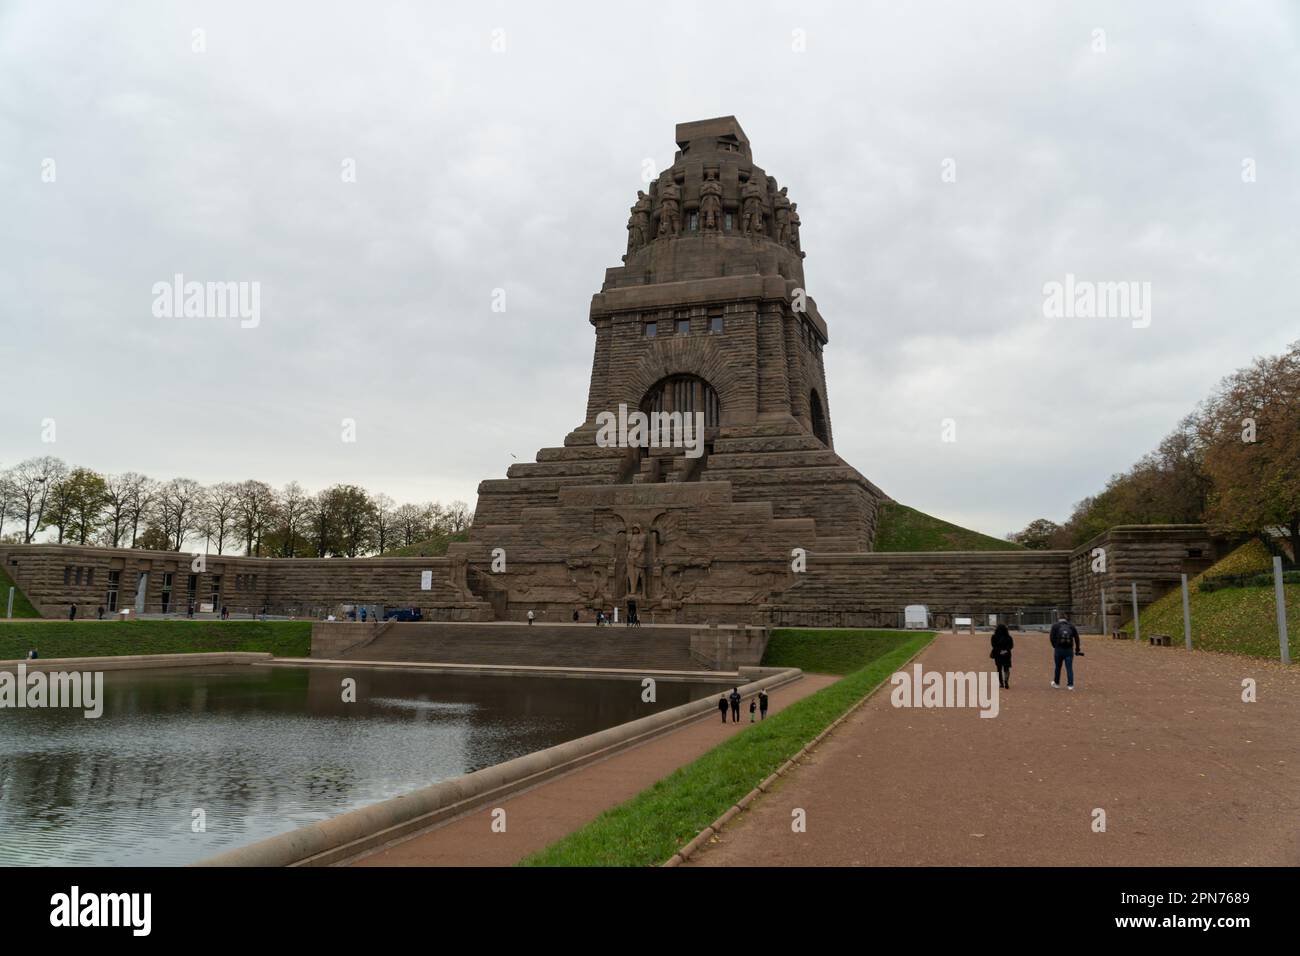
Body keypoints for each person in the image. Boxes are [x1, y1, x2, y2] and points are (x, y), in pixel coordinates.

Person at [1049, 612, 1082, 690]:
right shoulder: (1071, 626)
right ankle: (1070, 685)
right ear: (1066, 618)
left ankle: (1057, 683)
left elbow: (1051, 638)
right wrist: (1077, 649)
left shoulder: (1055, 626)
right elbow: (1077, 638)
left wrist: (1055, 646)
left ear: (1059, 618)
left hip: (1058, 649)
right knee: (1069, 668)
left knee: (1058, 667)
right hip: (1069, 650)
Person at [990, 623, 1014, 689]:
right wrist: (1005, 651)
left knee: (999, 669)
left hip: (997, 654)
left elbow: (993, 645)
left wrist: (999, 651)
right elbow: (1011, 646)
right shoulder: (1009, 637)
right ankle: (1006, 681)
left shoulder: (994, 636)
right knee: (1006, 669)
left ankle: (1001, 683)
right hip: (1007, 654)